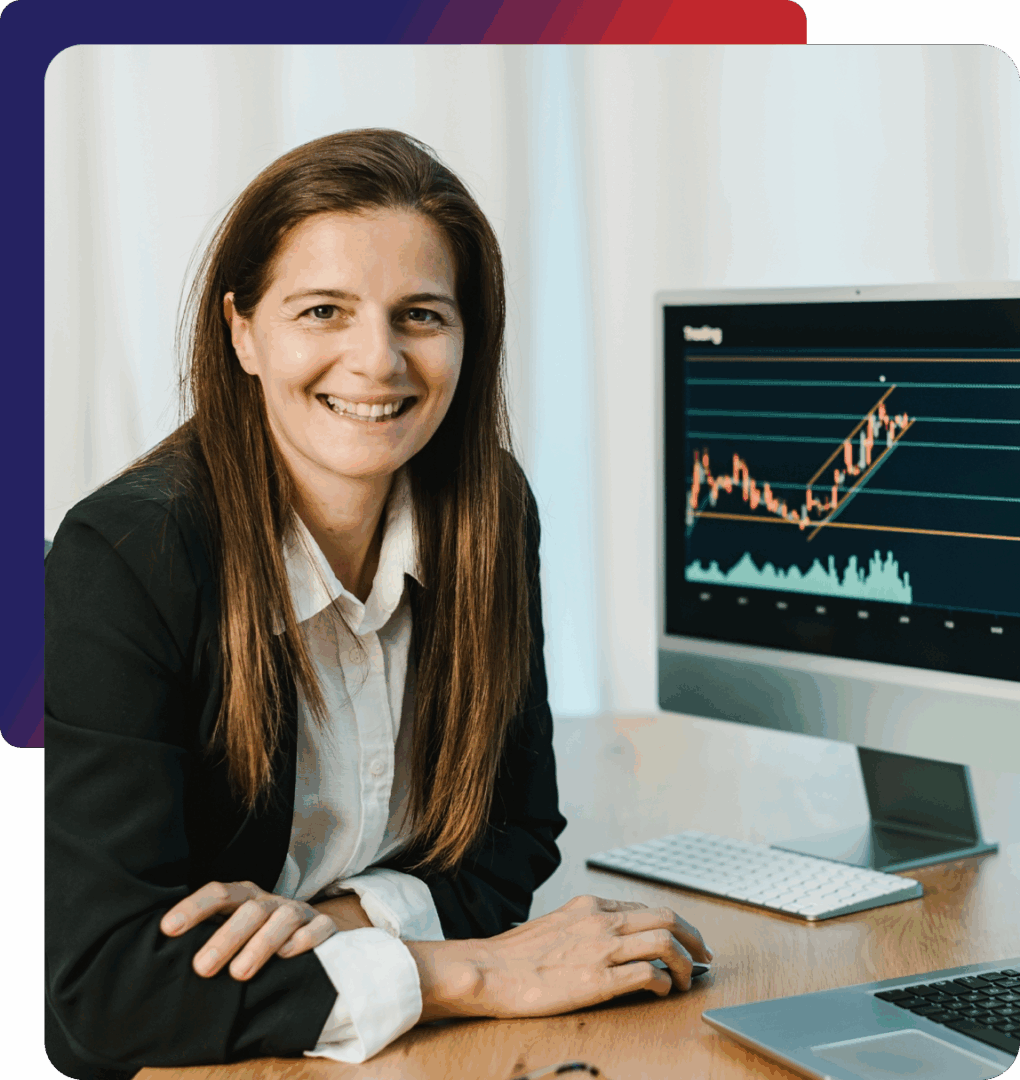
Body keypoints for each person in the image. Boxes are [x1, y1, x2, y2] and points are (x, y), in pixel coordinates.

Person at [44, 129, 711, 1080]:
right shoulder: (125, 560)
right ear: (242, 331)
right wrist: (465, 973)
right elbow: (99, 992)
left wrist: (340, 926)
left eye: (422, 315)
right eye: (322, 310)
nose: (377, 360)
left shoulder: (489, 509)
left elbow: (513, 836)